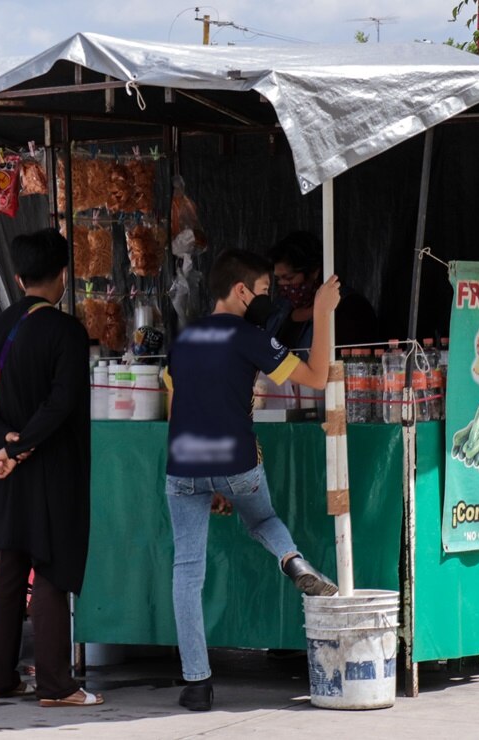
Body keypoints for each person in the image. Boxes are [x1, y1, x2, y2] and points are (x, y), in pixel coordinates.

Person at [163, 248, 341, 713]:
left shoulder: (182, 338)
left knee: (187, 572)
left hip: (183, 466)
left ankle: (197, 683)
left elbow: (176, 397)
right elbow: (318, 376)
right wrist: (321, 313)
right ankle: (292, 560)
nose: (268, 299)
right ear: (241, 291)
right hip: (236, 460)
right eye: (263, 291)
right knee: (262, 520)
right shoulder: (250, 337)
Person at [0, 228, 103, 708]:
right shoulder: (66, 331)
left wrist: (4, 442)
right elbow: (61, 404)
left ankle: (0, 678)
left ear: (19, 276)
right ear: (63, 275)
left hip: (4, 471)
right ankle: (56, 686)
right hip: (50, 470)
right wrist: (20, 446)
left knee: (9, 567)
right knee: (50, 570)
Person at [266, 231, 378, 351]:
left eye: (289, 278)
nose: (282, 284)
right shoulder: (281, 306)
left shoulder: (349, 306)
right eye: (278, 279)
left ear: (314, 271)